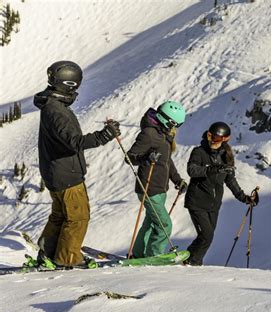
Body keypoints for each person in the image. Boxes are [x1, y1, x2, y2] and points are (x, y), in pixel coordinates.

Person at [34, 60, 121, 268]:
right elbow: (75, 142)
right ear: (70, 84)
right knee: (78, 217)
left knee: (60, 215)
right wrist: (104, 136)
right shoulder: (56, 111)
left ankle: (48, 253)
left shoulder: (52, 106)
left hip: (56, 172)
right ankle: (68, 258)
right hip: (67, 174)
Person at [184, 122, 256, 266]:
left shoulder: (227, 156)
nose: (211, 140)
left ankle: (187, 258)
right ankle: (194, 263)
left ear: (224, 140)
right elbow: (192, 170)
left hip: (214, 205)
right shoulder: (199, 152)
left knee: (205, 237)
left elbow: (230, 180)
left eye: (215, 138)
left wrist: (245, 198)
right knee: (207, 236)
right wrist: (213, 169)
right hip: (197, 202)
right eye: (210, 135)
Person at [126, 101, 187, 258]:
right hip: (149, 188)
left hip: (160, 189)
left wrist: (177, 180)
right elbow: (130, 157)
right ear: (169, 121)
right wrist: (147, 157)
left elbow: (167, 161)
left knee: (150, 223)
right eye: (177, 125)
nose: (176, 128)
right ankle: (154, 256)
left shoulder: (163, 135)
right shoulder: (149, 134)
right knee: (164, 225)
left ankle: (138, 254)